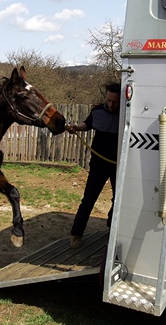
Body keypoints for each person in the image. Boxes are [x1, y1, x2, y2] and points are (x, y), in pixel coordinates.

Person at [67, 82, 120, 248]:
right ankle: (76, 234)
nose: (110, 104)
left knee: (118, 199)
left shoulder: (127, 115)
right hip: (99, 163)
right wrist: (77, 127)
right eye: (109, 100)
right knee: (89, 199)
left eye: (115, 102)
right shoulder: (97, 111)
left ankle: (112, 228)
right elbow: (87, 124)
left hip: (118, 164)